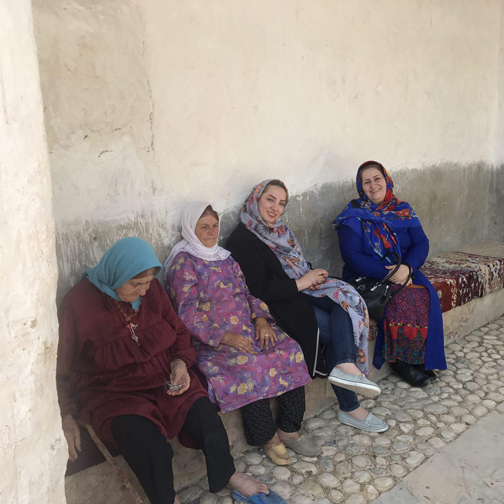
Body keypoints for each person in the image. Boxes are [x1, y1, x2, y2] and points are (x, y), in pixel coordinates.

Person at [56, 237, 269, 504]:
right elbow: (60, 367)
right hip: (113, 393)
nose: (144, 291)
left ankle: (229, 474)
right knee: (149, 445)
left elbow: (179, 332)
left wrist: (180, 363)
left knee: (204, 415)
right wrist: (65, 415)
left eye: (147, 283)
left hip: (163, 378)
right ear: (116, 274)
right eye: (136, 284)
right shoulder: (79, 305)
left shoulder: (152, 291)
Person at [165, 202, 320, 466]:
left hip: (247, 327)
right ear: (190, 229)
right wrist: (225, 337)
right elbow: (186, 314)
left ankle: (289, 427)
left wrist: (261, 319)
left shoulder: (225, 258)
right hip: (212, 340)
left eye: (215, 226)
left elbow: (248, 293)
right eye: (204, 226)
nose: (211, 231)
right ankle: (266, 436)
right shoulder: (184, 263)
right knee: (249, 364)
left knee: (290, 350)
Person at [226, 181, 388, 433]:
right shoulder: (242, 239)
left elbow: (293, 266)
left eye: (281, 203)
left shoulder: (279, 231)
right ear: (256, 199)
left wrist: (311, 276)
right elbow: (257, 289)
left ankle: (345, 370)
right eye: (270, 199)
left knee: (344, 302)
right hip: (276, 307)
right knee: (338, 331)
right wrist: (302, 282)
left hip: (299, 292)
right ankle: (350, 404)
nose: (275, 208)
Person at [334, 161, 447, 386]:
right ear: (360, 187)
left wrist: (408, 268)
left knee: (427, 293)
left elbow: (421, 242)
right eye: (367, 182)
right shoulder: (352, 216)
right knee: (401, 297)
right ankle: (401, 361)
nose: (373, 185)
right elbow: (352, 256)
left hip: (404, 268)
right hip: (368, 276)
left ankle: (421, 357)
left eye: (377, 179)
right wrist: (392, 274)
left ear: (386, 180)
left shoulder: (402, 210)